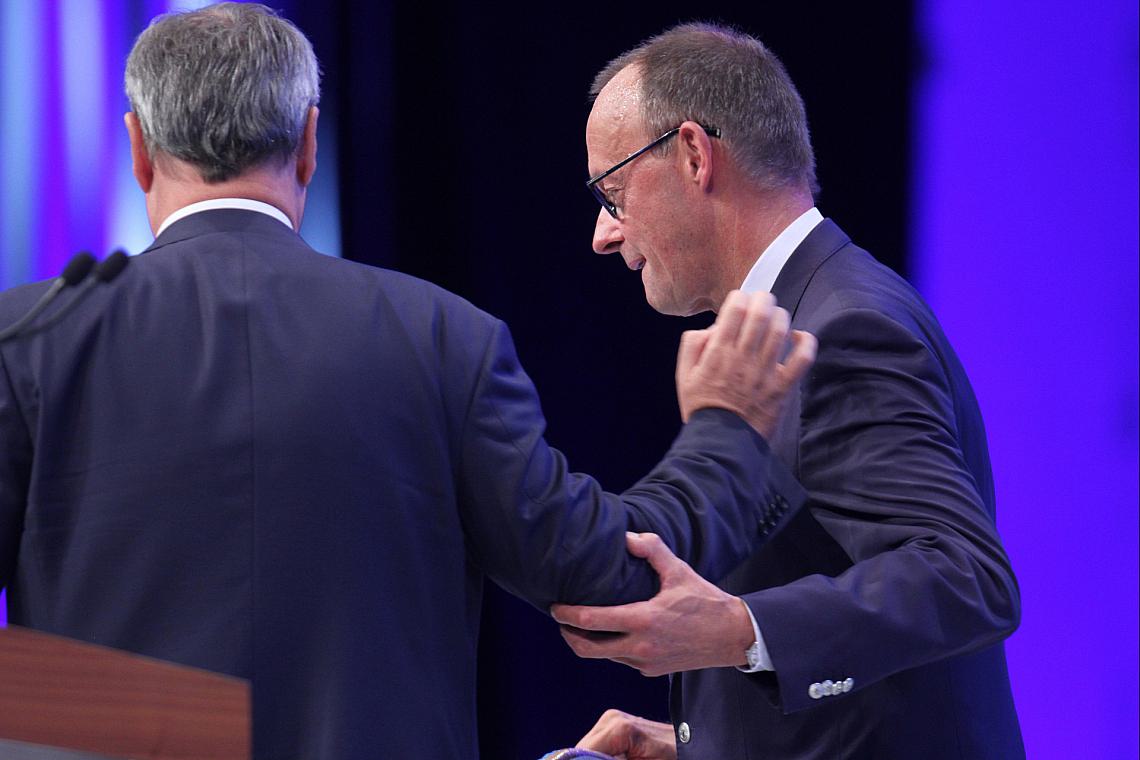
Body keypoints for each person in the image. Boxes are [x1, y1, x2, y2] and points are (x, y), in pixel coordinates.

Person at [0, 6, 818, 759]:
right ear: (309, 140)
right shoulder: (440, 337)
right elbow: (613, 579)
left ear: (139, 148)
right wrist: (729, 434)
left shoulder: (28, 342)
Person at [551, 22, 1024, 759]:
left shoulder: (845, 328)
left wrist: (734, 630)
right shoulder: (805, 313)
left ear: (694, 155)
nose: (603, 235)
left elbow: (964, 577)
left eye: (613, 193)